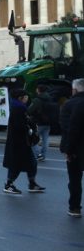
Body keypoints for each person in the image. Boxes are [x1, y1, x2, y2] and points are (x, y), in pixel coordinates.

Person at [2, 90, 46, 194]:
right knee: (17, 164)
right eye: (26, 97)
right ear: (20, 98)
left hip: (19, 141)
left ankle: (32, 183)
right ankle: (9, 185)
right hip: (19, 142)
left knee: (31, 163)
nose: (27, 99)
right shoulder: (19, 108)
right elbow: (19, 125)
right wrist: (29, 128)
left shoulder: (17, 106)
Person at [60, 78, 84, 217]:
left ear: (74, 90)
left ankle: (75, 207)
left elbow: (70, 129)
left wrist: (69, 150)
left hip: (76, 149)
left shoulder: (69, 105)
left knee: (75, 179)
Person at [27, 85, 56, 162]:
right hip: (48, 122)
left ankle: (38, 154)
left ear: (38, 90)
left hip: (38, 123)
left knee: (31, 138)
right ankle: (43, 155)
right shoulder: (50, 98)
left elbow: (29, 110)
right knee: (45, 140)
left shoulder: (37, 100)